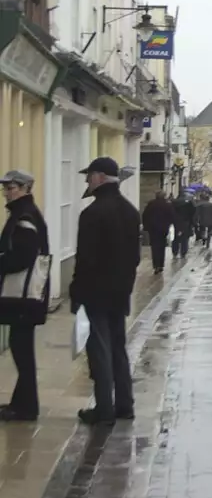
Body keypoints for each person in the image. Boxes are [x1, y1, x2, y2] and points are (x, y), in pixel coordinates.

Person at [70, 156, 141, 425]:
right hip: (120, 290)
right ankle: (125, 404)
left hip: (96, 292)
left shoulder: (92, 214)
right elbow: (135, 257)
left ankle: (104, 409)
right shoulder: (130, 211)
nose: (87, 181)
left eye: (89, 176)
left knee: (99, 350)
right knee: (118, 348)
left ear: (99, 177)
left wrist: (77, 292)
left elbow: (86, 259)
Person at [0, 168, 50, 421]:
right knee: (22, 351)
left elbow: (22, 257)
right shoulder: (25, 213)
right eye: (6, 188)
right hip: (24, 296)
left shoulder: (24, 217)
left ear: (26, 189)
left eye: (13, 187)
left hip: (22, 296)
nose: (8, 192)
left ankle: (26, 408)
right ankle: (20, 404)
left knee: (22, 352)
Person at [142, 191, 173, 274]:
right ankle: (161, 264)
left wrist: (146, 226)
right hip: (163, 229)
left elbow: (145, 215)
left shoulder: (151, 204)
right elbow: (171, 216)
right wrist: (168, 224)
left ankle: (156, 265)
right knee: (161, 246)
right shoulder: (167, 205)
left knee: (154, 247)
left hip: (153, 229)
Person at [171, 194, 195, 259]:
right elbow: (192, 212)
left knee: (175, 237)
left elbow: (171, 212)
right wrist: (192, 222)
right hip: (185, 221)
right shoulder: (189, 202)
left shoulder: (174, 202)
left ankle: (175, 251)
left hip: (175, 222)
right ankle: (183, 252)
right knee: (184, 238)